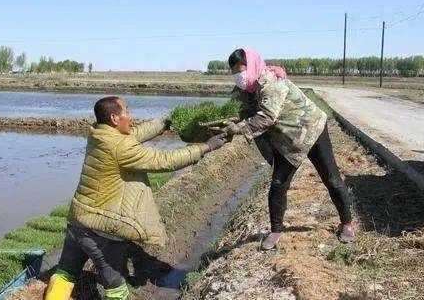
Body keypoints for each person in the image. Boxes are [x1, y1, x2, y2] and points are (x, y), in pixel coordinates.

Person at [44, 96, 228, 300]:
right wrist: (205, 147)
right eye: (127, 111)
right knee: (115, 285)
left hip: (77, 221)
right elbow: (163, 160)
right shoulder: (120, 147)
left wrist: (164, 123)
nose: (130, 117)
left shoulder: (98, 132)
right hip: (100, 231)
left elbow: (134, 133)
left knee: (65, 272)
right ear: (114, 118)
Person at [223, 48, 354, 250]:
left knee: (331, 178)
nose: (238, 77)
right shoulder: (247, 88)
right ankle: (276, 231)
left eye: (240, 71)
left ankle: (346, 224)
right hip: (287, 140)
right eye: (234, 72)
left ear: (252, 67)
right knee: (278, 184)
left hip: (311, 130)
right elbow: (240, 109)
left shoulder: (271, 83)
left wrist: (239, 128)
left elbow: (266, 117)